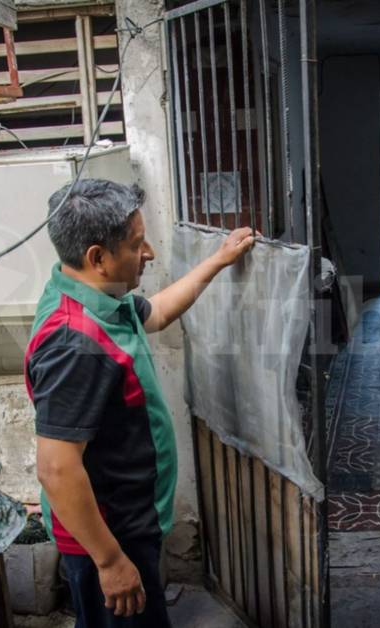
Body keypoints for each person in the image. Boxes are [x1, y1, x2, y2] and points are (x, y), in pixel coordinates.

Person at [25, 179, 254, 627]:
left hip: (128, 524)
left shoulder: (98, 297)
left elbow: (159, 312)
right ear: (97, 257)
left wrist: (219, 260)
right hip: (109, 536)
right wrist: (110, 563)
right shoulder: (76, 344)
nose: (148, 251)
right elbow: (56, 468)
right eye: (135, 244)